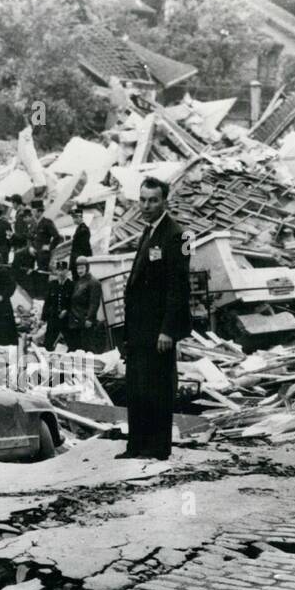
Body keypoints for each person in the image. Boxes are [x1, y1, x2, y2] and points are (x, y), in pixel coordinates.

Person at [120, 176, 191, 460]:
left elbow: (179, 287)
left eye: (152, 200)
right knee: (137, 385)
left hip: (158, 329)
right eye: (142, 200)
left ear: (165, 202)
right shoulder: (148, 232)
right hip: (139, 328)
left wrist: (168, 330)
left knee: (158, 387)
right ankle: (136, 445)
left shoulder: (178, 235)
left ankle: (158, 447)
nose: (146, 206)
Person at [67, 256, 104, 353]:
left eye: (82, 268)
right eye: (78, 268)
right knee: (80, 349)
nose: (79, 271)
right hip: (77, 321)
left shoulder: (93, 282)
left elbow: (94, 303)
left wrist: (89, 318)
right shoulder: (79, 282)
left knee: (89, 348)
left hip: (86, 322)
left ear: (87, 268)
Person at [40, 258, 74, 350]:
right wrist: (43, 318)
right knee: (48, 343)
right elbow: (47, 303)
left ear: (67, 271)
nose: (60, 273)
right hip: (53, 318)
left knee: (71, 344)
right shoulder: (52, 284)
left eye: (63, 270)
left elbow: (74, 302)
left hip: (66, 320)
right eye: (59, 270)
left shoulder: (71, 285)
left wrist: (67, 310)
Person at [28, 200, 60, 278]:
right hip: (34, 254)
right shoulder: (35, 224)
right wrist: (31, 247)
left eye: (33, 210)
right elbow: (30, 237)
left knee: (43, 276)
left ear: (39, 212)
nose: (32, 212)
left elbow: (57, 237)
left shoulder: (47, 222)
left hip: (43, 256)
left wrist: (49, 247)